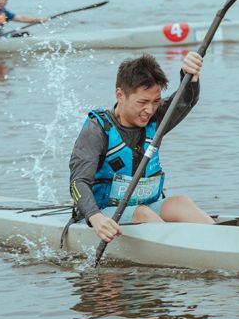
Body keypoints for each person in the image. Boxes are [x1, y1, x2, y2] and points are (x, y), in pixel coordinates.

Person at [69, 52, 214, 243]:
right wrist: (95, 217)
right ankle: (182, 251)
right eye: (143, 102)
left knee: (181, 203)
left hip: (145, 206)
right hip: (103, 215)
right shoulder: (96, 130)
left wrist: (189, 76)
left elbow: (185, 100)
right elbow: (77, 183)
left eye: (155, 101)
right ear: (120, 95)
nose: (150, 110)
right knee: (142, 213)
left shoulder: (156, 119)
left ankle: (227, 243)